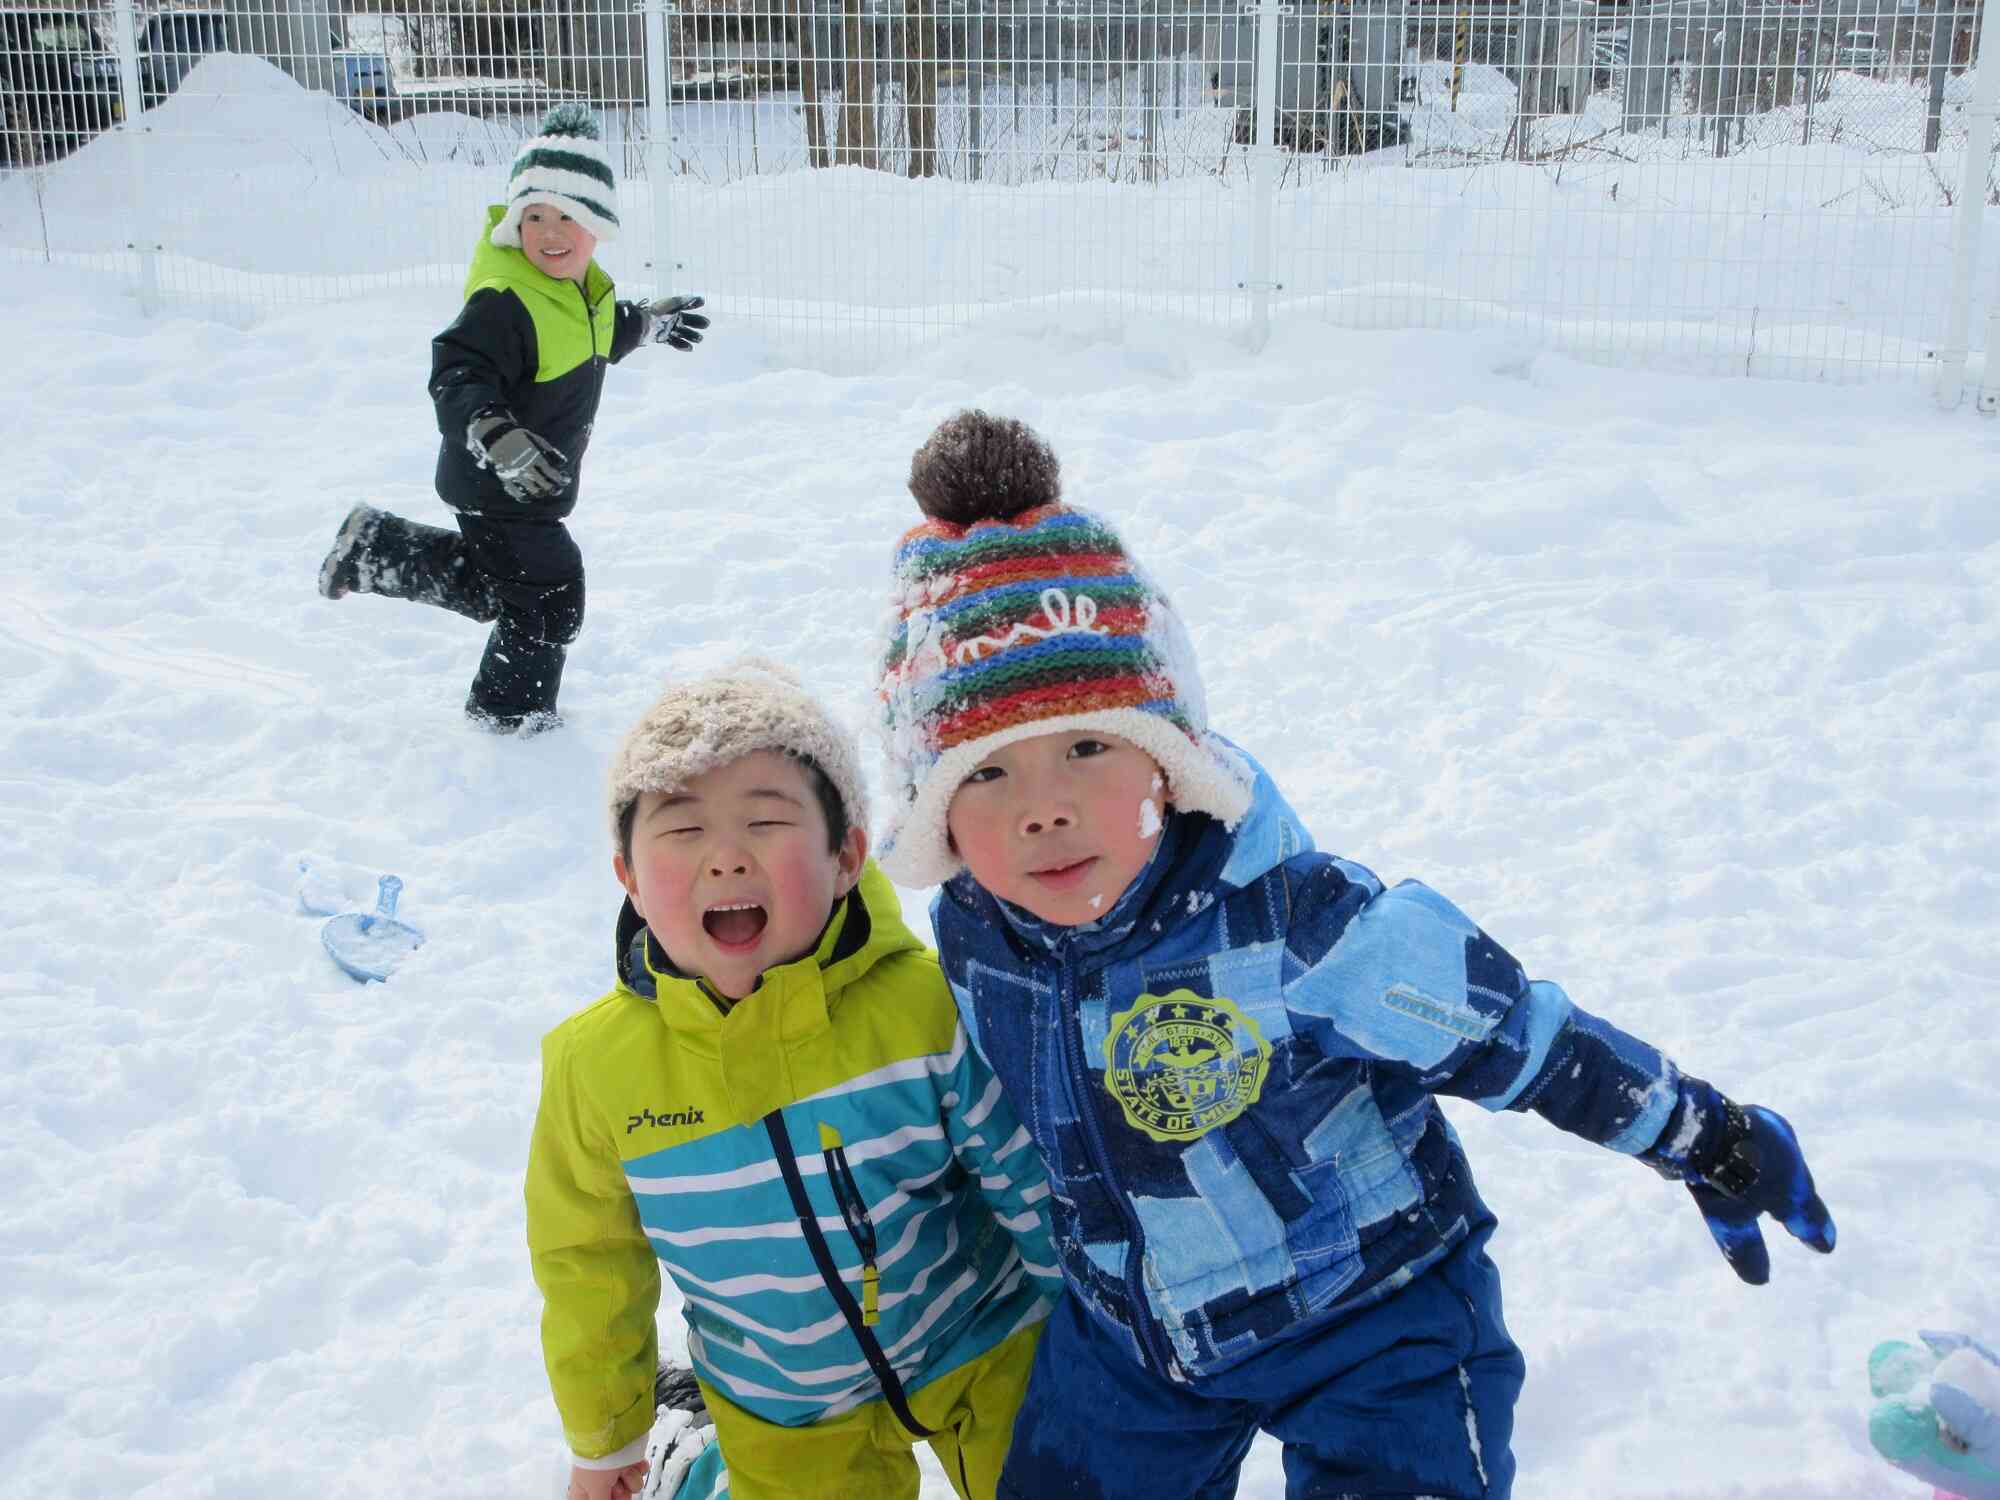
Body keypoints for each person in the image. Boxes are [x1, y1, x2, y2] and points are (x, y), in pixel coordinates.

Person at [867, 409, 1839, 1500]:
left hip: (1375, 1314)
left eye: (1087, 748)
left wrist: (1704, 1135)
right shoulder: (972, 931)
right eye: (985, 775)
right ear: (936, 815)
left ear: (1168, 763)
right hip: (1139, 1334)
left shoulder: (1301, 924)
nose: (1041, 809)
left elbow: (1515, 1036)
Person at [525, 660, 1060, 1500]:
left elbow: (1025, 1173)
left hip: (986, 1337)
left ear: (846, 855)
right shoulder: (595, 1071)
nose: (727, 859)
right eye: (682, 830)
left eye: (766, 823)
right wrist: (605, 1437)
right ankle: (694, 1458)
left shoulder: (920, 1005)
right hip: (784, 1397)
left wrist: (1098, 1327)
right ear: (626, 873)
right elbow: (589, 1264)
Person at [315, 102, 709, 735]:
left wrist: (653, 323)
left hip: (536, 483)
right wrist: (495, 434)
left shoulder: (583, 291)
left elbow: (608, 329)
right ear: (515, 223)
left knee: (506, 587)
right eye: (534, 217)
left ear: (598, 227)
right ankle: (509, 714)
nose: (550, 231)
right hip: (496, 482)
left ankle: (375, 548)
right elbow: (457, 369)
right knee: (551, 591)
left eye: (568, 217)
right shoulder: (508, 298)